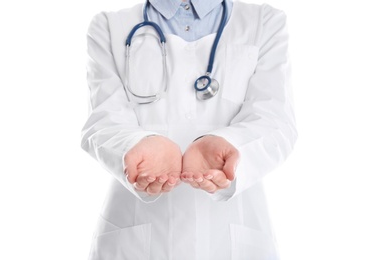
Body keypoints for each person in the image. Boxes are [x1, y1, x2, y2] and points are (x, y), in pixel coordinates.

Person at [81, 0, 297, 259]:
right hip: (136, 240)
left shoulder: (264, 22)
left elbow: (274, 119)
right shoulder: (109, 27)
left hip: (232, 237)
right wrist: (137, 144)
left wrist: (230, 145)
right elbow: (104, 121)